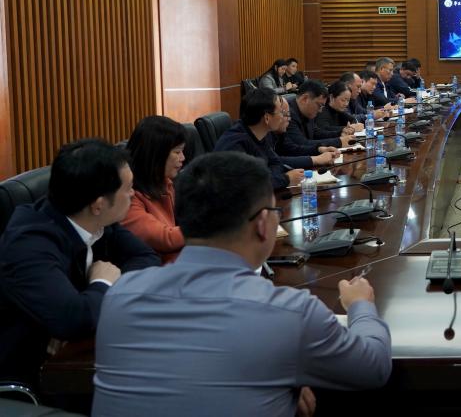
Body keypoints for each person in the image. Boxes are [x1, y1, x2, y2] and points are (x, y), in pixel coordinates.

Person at [92, 152, 392, 416]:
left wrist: (278, 373)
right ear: (262, 224)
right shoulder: (290, 313)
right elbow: (373, 368)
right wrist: (360, 306)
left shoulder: (120, 296)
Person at [0, 139, 159, 386]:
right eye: (128, 188)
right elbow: (72, 319)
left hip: (72, 358)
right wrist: (102, 283)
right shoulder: (29, 245)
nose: (134, 194)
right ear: (98, 204)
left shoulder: (96, 221)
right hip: (28, 378)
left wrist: (86, 306)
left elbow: (147, 259)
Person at [214, 87, 329, 190]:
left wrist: (272, 177)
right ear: (267, 118)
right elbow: (248, 186)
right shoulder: (235, 144)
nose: (284, 117)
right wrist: (286, 179)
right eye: (281, 112)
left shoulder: (260, 133)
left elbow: (276, 163)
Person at [122, 115, 187, 264]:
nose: (183, 158)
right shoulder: (128, 195)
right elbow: (165, 238)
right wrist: (209, 227)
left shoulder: (165, 182)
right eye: (177, 152)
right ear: (156, 154)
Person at [278, 80, 350, 158]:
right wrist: (339, 141)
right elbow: (301, 143)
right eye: (319, 105)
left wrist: (339, 133)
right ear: (305, 99)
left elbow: (316, 133)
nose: (320, 110)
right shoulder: (287, 114)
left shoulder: (307, 111)